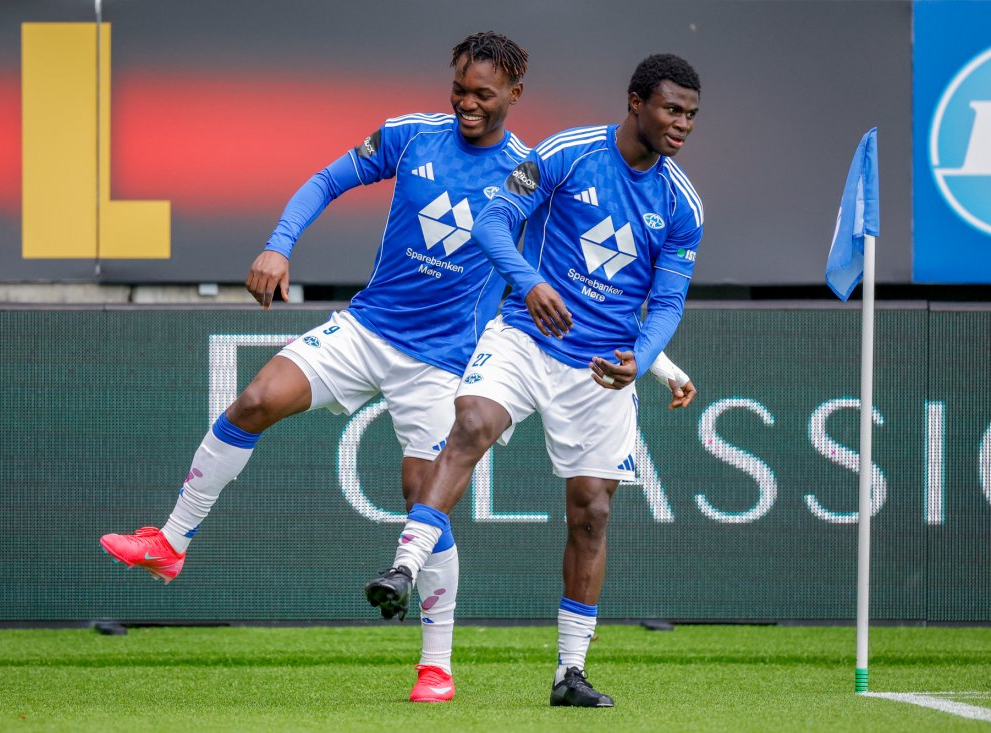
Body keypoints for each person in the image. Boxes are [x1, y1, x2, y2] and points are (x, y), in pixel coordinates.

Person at [100, 33, 695, 703]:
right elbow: (328, 179)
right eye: (459, 90)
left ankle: (435, 666)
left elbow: (585, 280)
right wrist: (278, 244)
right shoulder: (411, 137)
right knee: (256, 398)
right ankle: (171, 541)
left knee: (427, 497)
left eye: (483, 95)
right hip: (367, 327)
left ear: (514, 96)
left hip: (442, 362)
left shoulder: (533, 169)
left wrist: (656, 362)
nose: (467, 104)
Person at [364, 53, 704, 709]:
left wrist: (643, 353)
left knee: (593, 512)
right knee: (469, 424)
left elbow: (666, 302)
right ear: (635, 101)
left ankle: (569, 672)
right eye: (671, 109)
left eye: (691, 114)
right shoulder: (568, 153)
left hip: (601, 368)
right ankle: (405, 564)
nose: (682, 123)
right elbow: (492, 221)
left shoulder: (682, 203)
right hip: (525, 333)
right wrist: (531, 282)